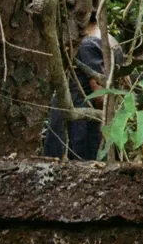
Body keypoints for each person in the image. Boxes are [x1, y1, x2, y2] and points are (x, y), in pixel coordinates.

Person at [41, 13, 111, 161]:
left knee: (77, 162)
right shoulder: (108, 40)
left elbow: (100, 94)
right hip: (85, 114)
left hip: (79, 115)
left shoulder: (87, 44)